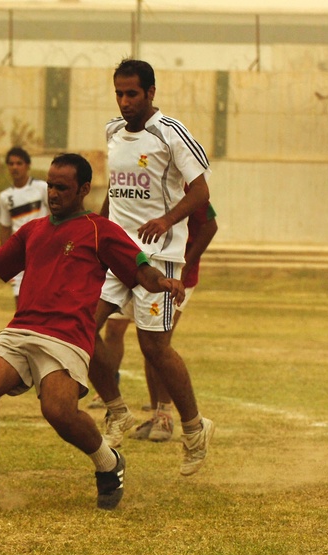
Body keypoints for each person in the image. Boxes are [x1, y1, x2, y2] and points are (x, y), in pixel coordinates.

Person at [0, 153, 185, 510]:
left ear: (84, 190)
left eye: (62, 187)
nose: (53, 194)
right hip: (23, 328)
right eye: (50, 186)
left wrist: (162, 281)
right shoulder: (33, 230)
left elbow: (140, 270)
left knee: (57, 411)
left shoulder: (99, 230)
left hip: (68, 335)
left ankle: (109, 462)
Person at [90, 58, 215, 476]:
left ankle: (195, 429)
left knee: (154, 348)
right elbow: (115, 192)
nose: (125, 102)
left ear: (150, 93)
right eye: (119, 94)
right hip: (115, 254)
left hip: (159, 256)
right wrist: (97, 229)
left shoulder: (171, 132)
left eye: (132, 94)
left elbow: (200, 192)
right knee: (80, 327)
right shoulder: (111, 131)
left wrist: (166, 220)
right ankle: (117, 411)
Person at [0, 147, 50, 305]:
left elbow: (57, 215)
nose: (15, 167)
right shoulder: (5, 196)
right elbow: (5, 228)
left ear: (27, 165)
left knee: (44, 301)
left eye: (19, 163)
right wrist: (3, 259)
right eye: (11, 164)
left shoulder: (42, 188)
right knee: (21, 304)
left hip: (43, 253)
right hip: (20, 255)